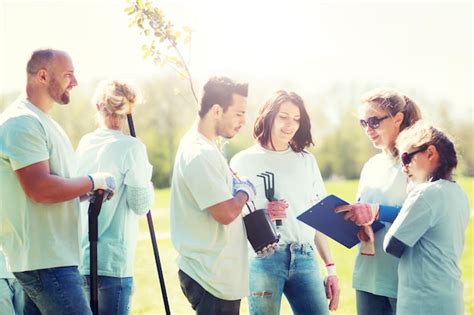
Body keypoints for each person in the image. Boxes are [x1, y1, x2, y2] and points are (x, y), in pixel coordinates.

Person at [0, 49, 116, 315]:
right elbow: (40, 189)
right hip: (46, 261)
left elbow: (53, 187)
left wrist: (88, 191)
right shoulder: (22, 122)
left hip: (52, 258)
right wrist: (91, 180)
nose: (74, 82)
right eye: (68, 75)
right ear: (42, 76)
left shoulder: (43, 122)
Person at [230, 90, 340, 315]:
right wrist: (263, 214)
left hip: (305, 257)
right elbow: (233, 216)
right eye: (283, 116)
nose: (290, 125)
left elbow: (318, 216)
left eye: (296, 119)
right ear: (268, 116)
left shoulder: (306, 161)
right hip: (263, 260)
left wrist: (331, 269)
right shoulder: (243, 161)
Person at [170, 76, 256, 315]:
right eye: (239, 113)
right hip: (211, 279)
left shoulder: (206, 148)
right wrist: (244, 192)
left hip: (217, 277)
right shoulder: (199, 153)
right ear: (217, 110)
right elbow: (225, 212)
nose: (243, 121)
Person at [334, 88, 422, 315]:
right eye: (363, 123)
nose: (368, 130)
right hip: (367, 277)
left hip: (403, 278)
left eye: (374, 121)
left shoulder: (417, 164)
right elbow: (365, 214)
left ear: (398, 119)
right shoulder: (371, 166)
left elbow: (423, 214)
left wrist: (377, 212)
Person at [76, 80, 154, 315]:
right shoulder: (132, 147)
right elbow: (140, 205)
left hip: (82, 260)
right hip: (113, 263)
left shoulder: (85, 143)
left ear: (98, 107)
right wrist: (146, 173)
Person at [383, 121, 469, 314]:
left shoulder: (425, 194)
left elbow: (392, 245)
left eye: (406, 158)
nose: (404, 168)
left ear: (430, 153)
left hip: (423, 300)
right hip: (449, 297)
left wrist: (410, 196)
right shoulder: (459, 193)